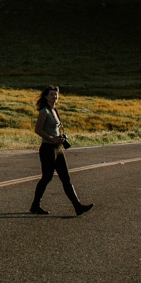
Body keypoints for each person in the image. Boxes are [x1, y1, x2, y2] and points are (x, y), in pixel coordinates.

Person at [30, 86, 92, 216]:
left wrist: (61, 138)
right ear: (46, 96)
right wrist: (52, 139)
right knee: (47, 177)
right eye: (52, 94)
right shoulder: (44, 112)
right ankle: (35, 205)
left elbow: (55, 129)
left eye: (56, 95)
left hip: (58, 149)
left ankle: (77, 206)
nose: (55, 97)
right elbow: (38, 130)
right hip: (47, 149)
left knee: (65, 178)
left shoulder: (54, 110)